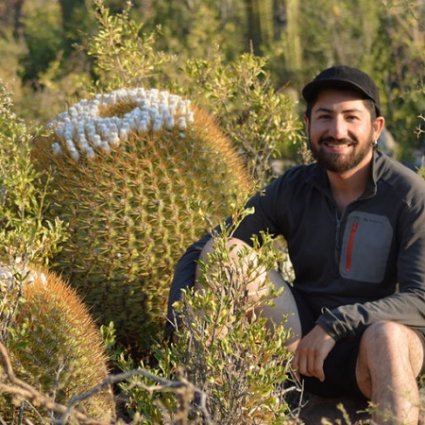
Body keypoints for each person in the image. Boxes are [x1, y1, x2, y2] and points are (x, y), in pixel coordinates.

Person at [167, 65, 425, 424]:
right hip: (300, 347)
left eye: (351, 117)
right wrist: (179, 327)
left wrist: (337, 324)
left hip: (372, 350)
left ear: (376, 128)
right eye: (325, 117)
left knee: (389, 338)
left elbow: (420, 299)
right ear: (308, 124)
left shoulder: (409, 194)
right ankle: (212, 406)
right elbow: (208, 247)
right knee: (223, 254)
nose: (337, 131)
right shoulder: (292, 187)